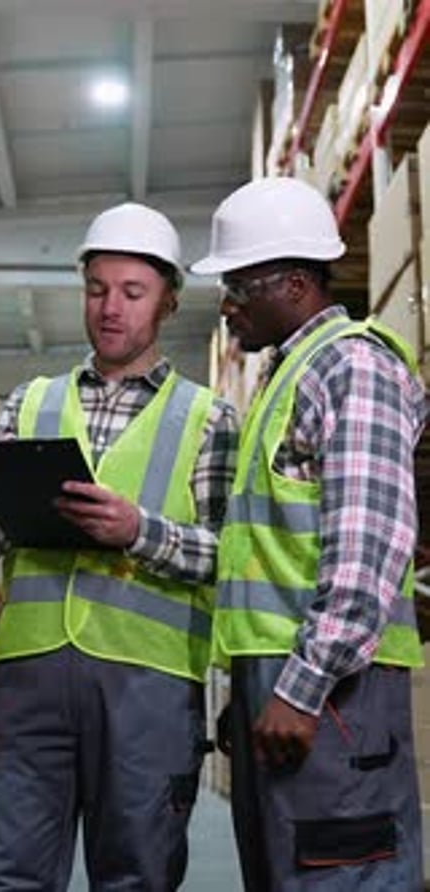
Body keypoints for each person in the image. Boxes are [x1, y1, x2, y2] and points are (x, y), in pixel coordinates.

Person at [0, 202, 238, 892]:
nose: (110, 308)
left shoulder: (209, 419)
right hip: (29, 678)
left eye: (132, 293)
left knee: (136, 875)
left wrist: (138, 532)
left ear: (168, 301)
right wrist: (8, 500)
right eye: (96, 289)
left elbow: (232, 559)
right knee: (5, 874)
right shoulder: (27, 403)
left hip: (148, 683)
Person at [190, 176, 427, 891]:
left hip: (336, 689)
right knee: (289, 870)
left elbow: (367, 549)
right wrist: (259, 689)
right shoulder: (289, 379)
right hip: (293, 675)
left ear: (294, 283)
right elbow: (268, 549)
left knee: (342, 869)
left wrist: (298, 689)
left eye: (239, 286)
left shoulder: (352, 367)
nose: (228, 305)